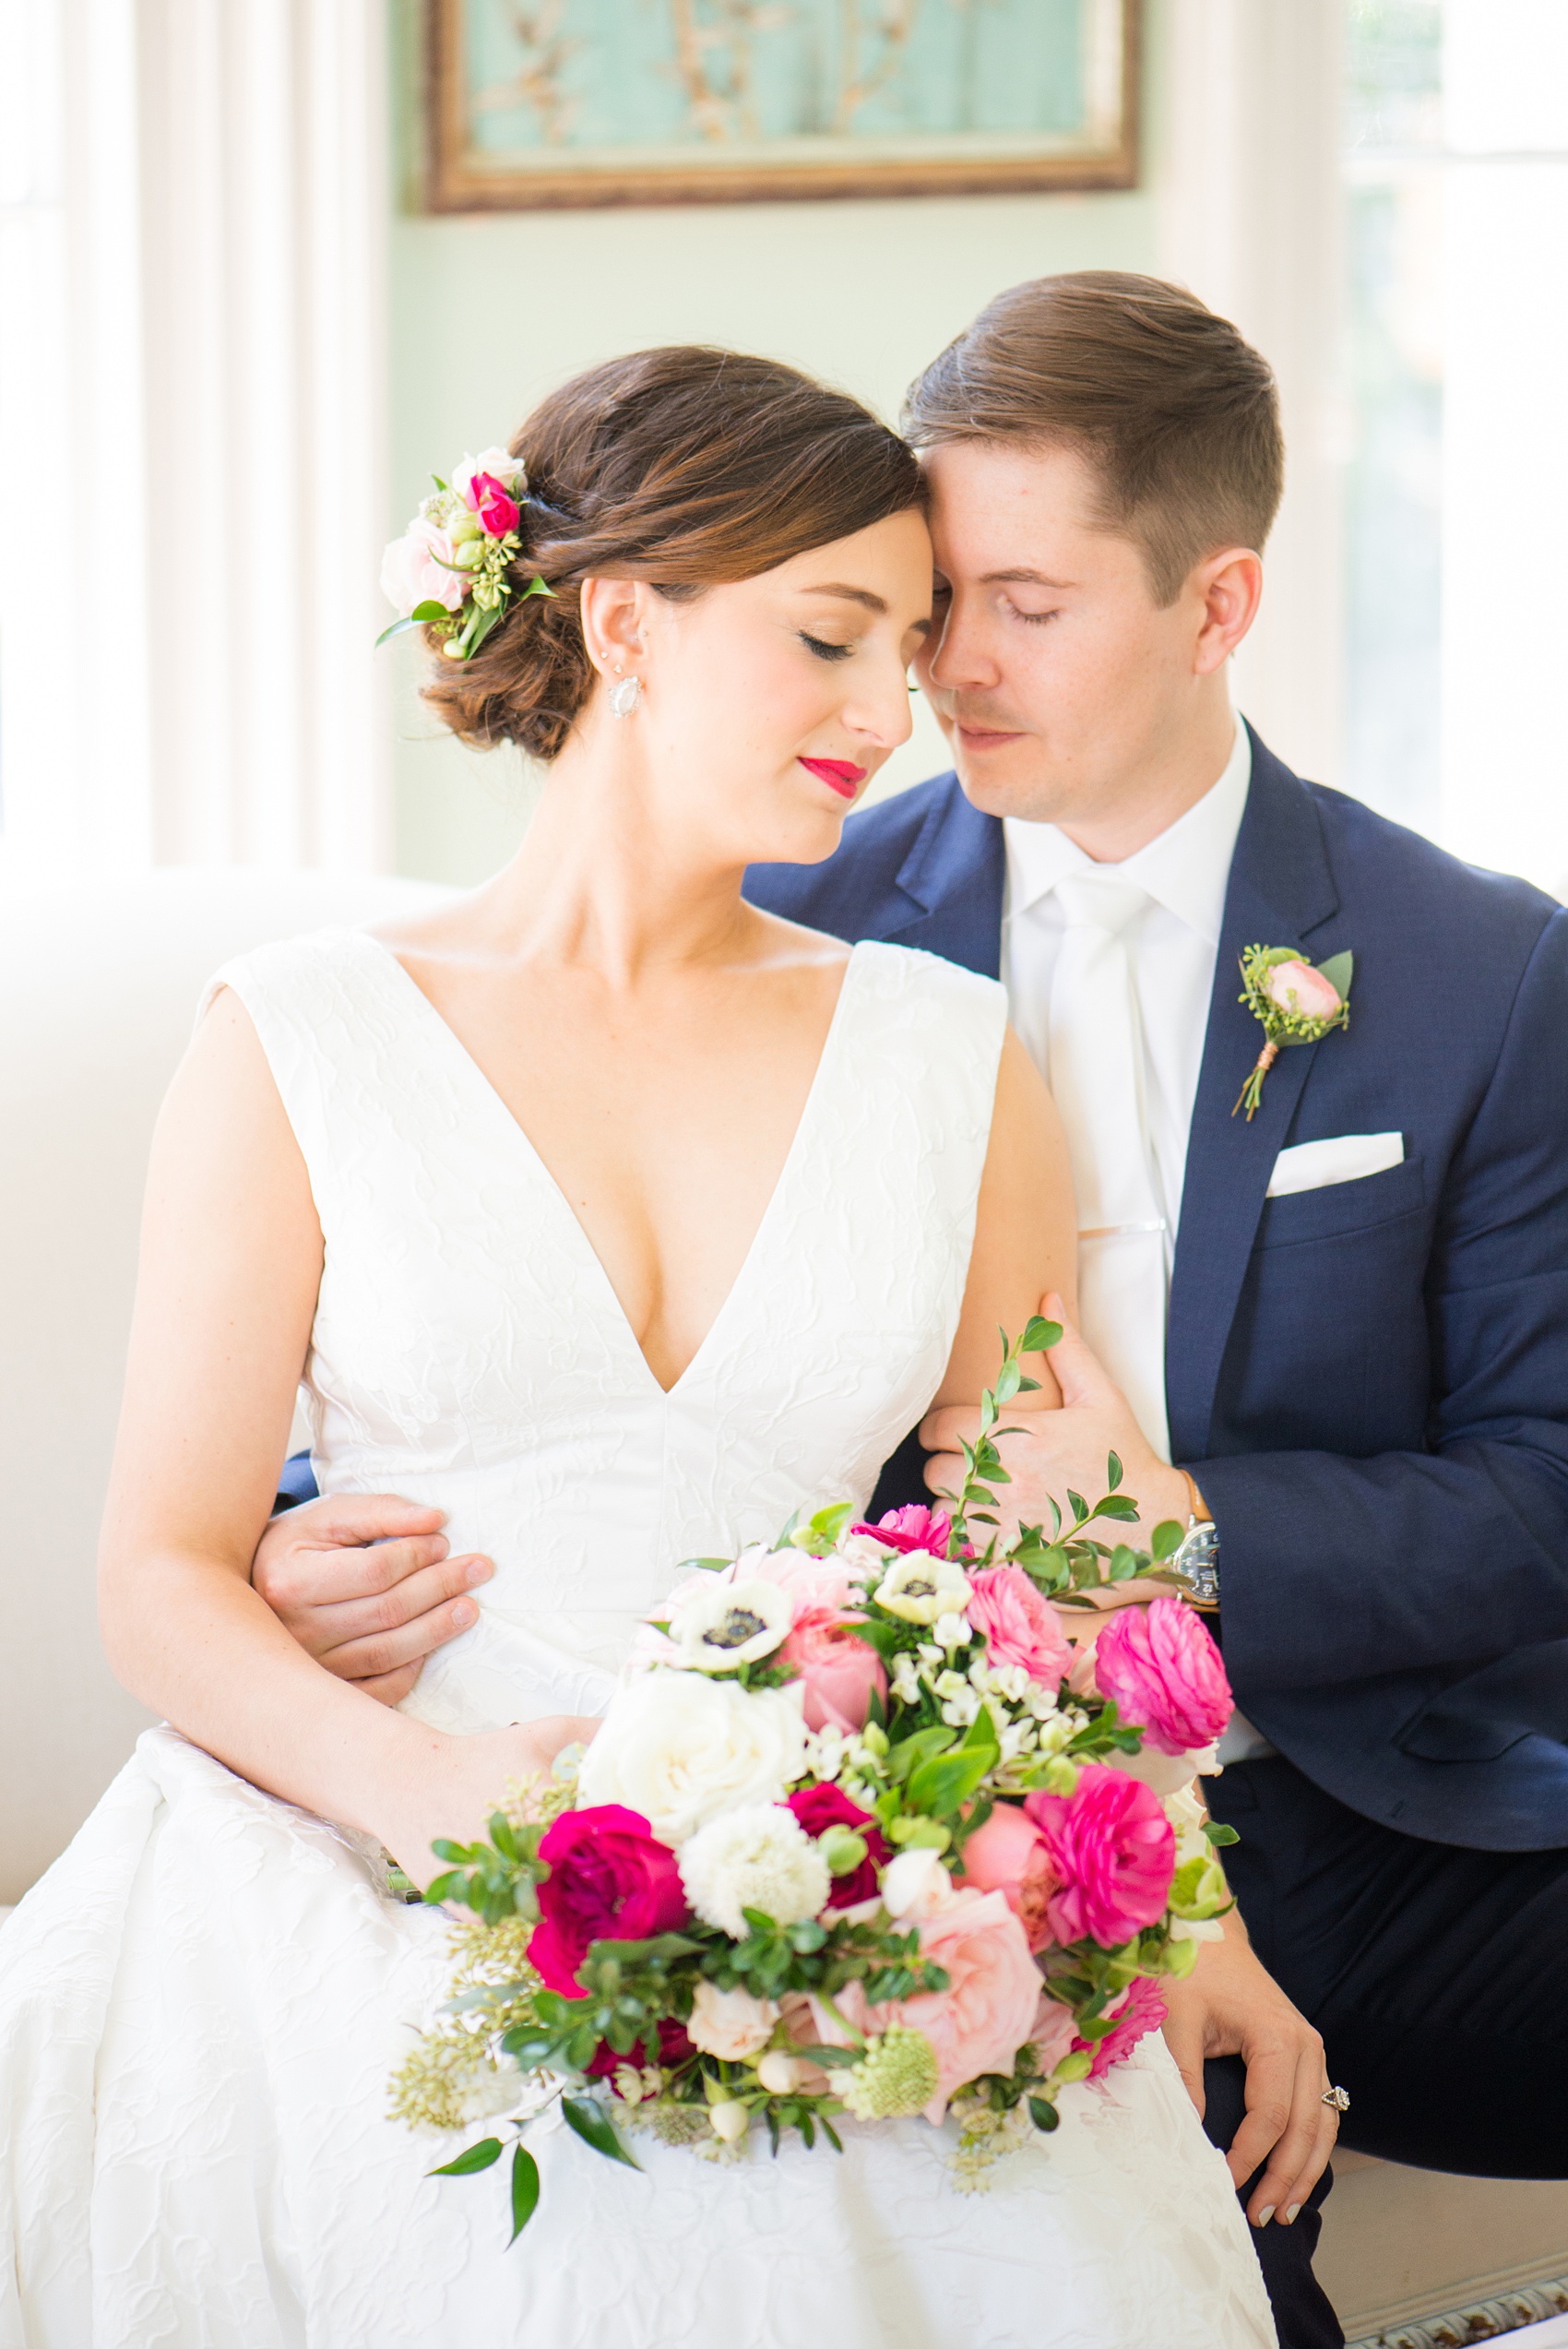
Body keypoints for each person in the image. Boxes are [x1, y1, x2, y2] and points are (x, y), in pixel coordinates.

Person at [0, 348, 1277, 2349]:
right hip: (366, 1849)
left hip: (841, 1875)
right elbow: (155, 1573)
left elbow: (1050, 1530)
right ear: (621, 621)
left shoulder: (944, 1055)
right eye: (832, 638)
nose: (892, 711)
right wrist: (422, 1791)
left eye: (915, 647)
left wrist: (1186, 1902)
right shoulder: (300, 1034)